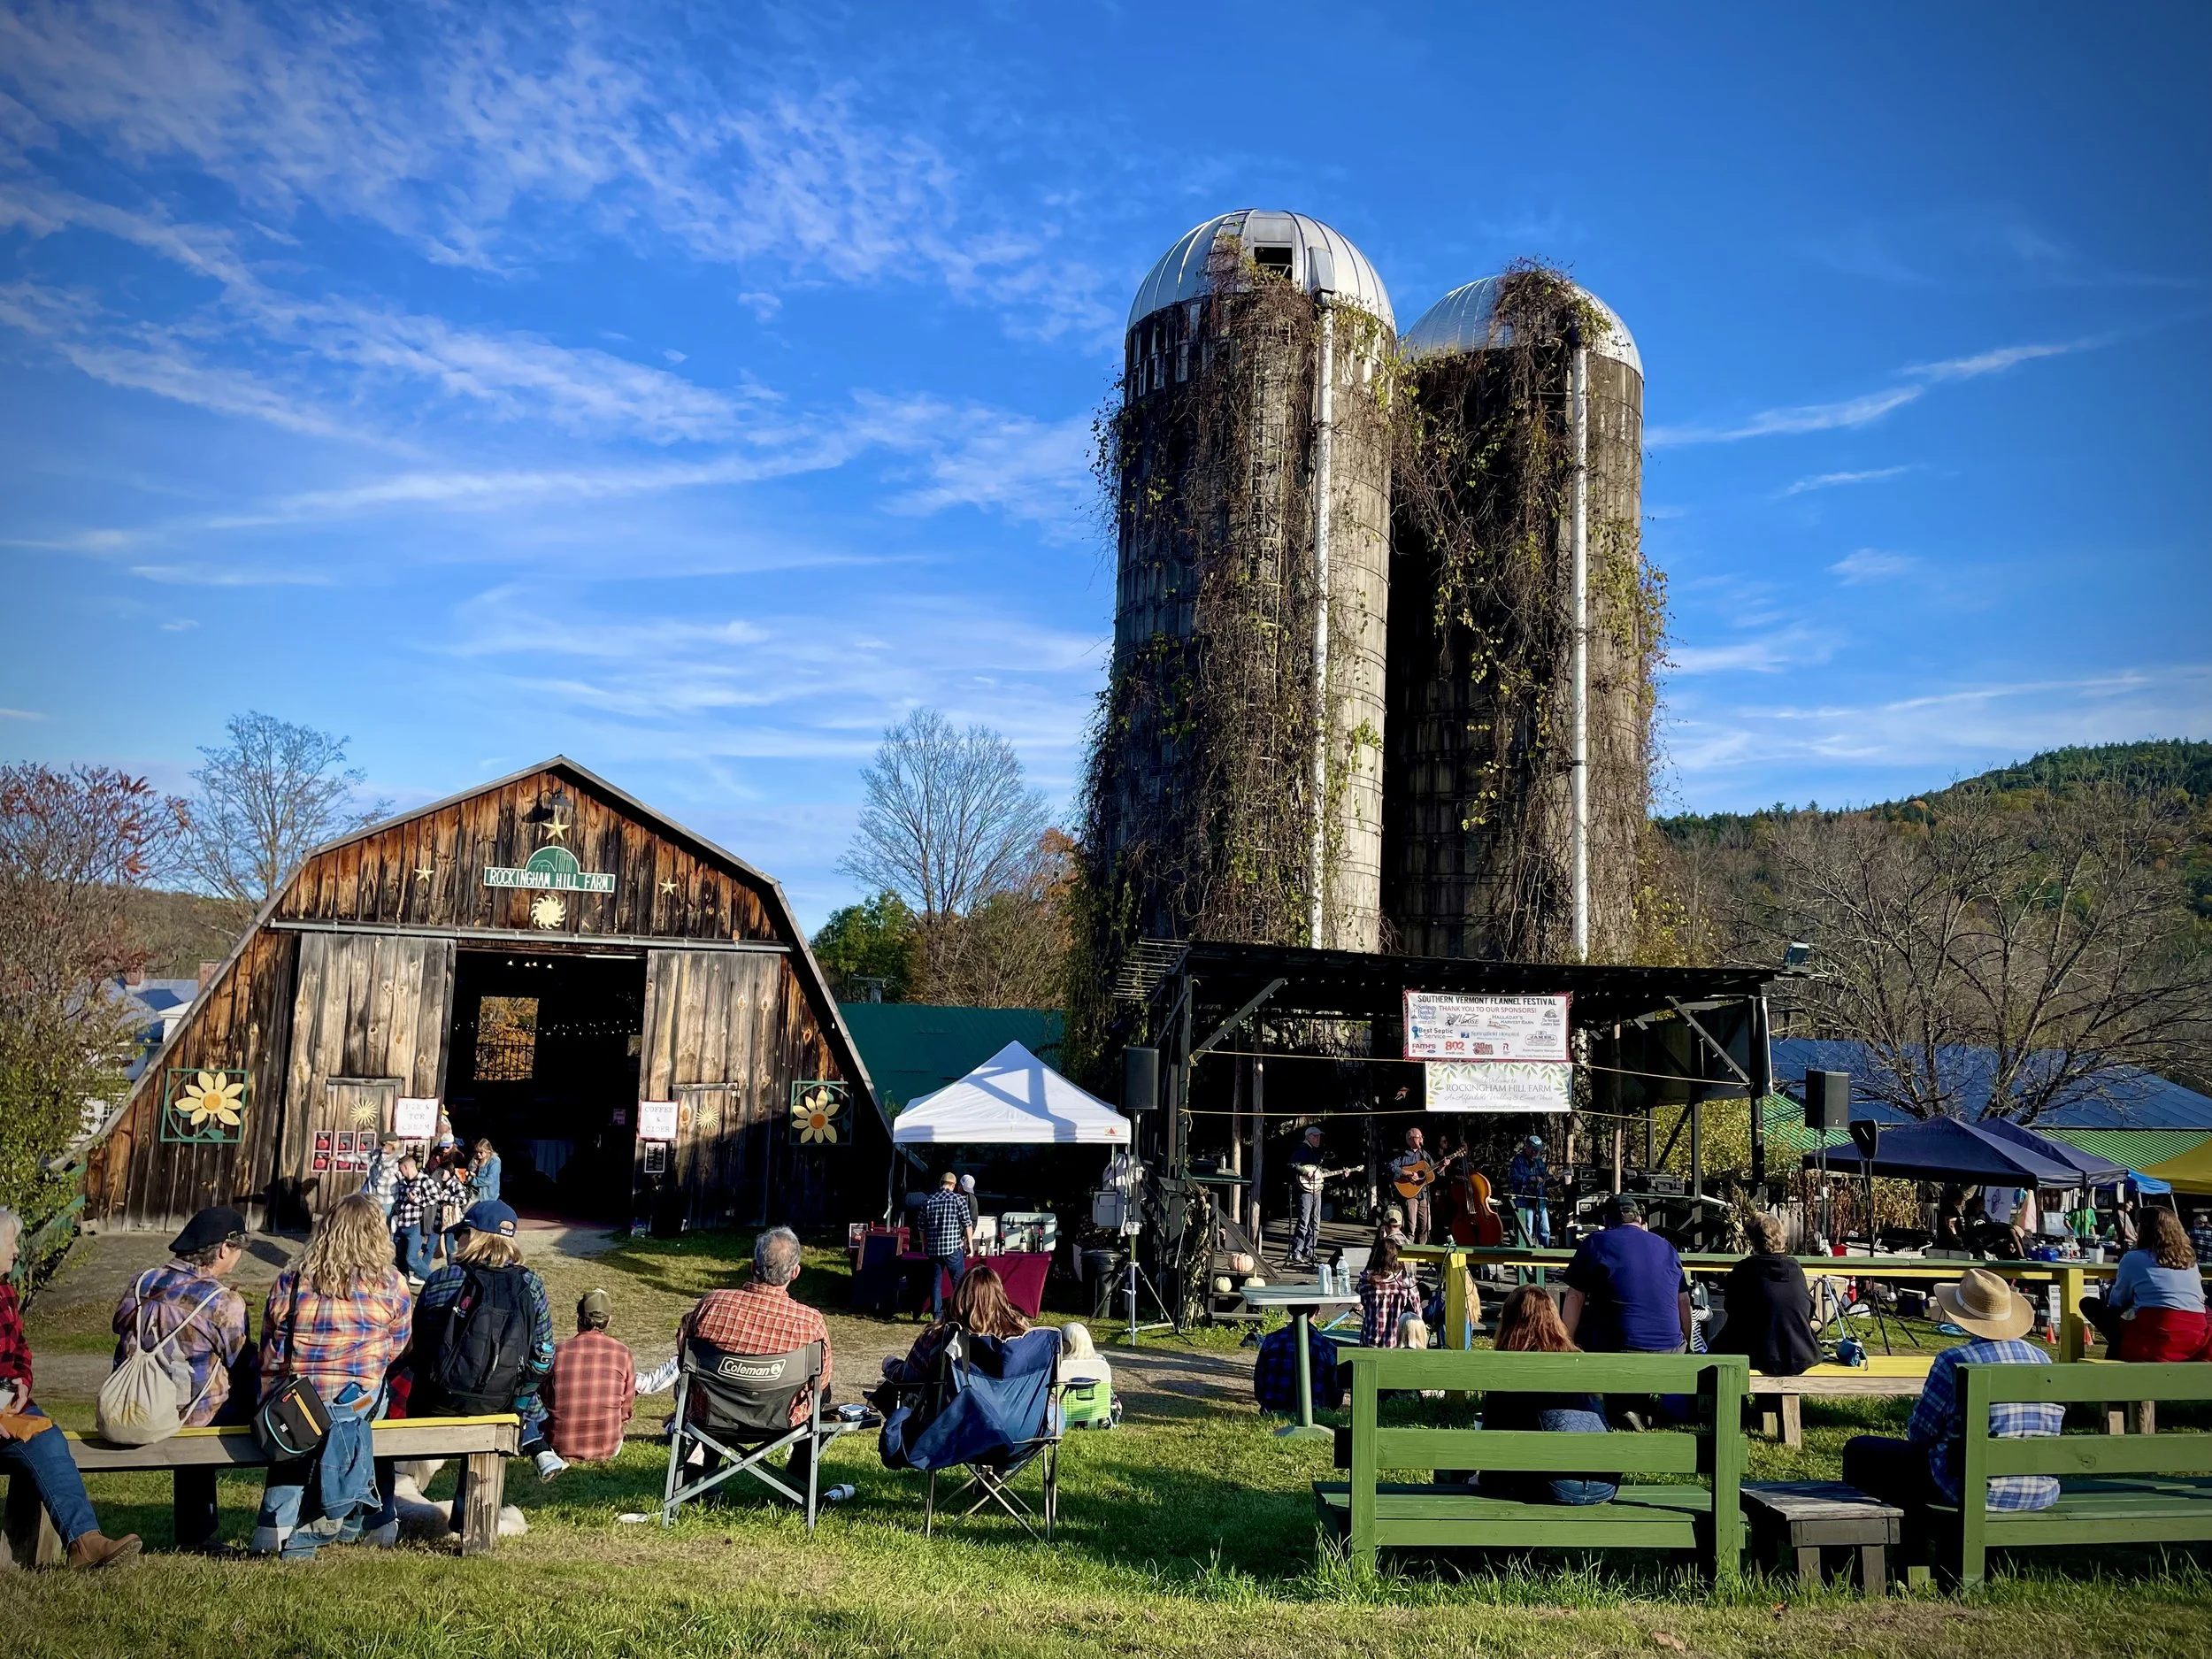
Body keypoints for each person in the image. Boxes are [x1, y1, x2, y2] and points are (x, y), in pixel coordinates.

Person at [254, 1194, 413, 1557]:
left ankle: (272, 1527)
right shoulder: (392, 1284)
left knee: (295, 1428)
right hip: (357, 1401)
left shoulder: (291, 1281)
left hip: (298, 1402)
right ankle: (373, 1518)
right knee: (375, 1411)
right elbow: (398, 1346)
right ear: (377, 1235)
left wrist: (268, 1393)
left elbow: (273, 1346)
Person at [1841, 1267, 2062, 1514]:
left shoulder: (1954, 1361)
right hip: (2039, 1489)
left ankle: (1901, 1544)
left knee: (1858, 1449)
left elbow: (1920, 1434)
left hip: (1969, 1489)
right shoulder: (2041, 1358)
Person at [0, 1206, 142, 1568]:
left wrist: (22, 1384)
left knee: (48, 1438)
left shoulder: (6, 1293)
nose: (17, 1253)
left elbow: (20, 1352)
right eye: (11, 1243)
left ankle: (85, 1543)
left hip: (7, 1406)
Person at [110, 1205, 256, 1550]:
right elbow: (241, 1362)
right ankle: (269, 1522)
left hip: (134, 1402)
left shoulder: (142, 1282)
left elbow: (119, 1323)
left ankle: (196, 1530)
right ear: (223, 1250)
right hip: (190, 1416)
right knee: (245, 1397)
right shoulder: (225, 1303)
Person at [410, 1200, 564, 1482]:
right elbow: (543, 1356)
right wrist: (519, 1400)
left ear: (473, 1236)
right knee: (517, 1385)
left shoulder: (443, 1278)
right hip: (500, 1402)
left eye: (460, 1235)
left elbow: (417, 1343)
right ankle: (535, 1444)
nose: (457, 1241)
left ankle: (399, 1498)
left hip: (438, 1398)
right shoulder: (531, 1284)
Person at [679, 1227, 835, 1492]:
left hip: (715, 1417)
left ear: (753, 1266)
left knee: (707, 1385)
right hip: (781, 1421)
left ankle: (697, 1474)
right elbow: (821, 1384)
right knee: (822, 1394)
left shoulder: (711, 1305)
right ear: (795, 1273)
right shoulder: (811, 1322)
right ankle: (798, 1484)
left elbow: (684, 1358)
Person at [1470, 1285, 1617, 1506]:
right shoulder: (1577, 1362)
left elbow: (1496, 1450)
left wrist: (1480, 1480)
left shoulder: (1510, 1369)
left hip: (1555, 1484)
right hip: (1605, 1482)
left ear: (1510, 1323)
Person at [1561, 1195, 1691, 1354]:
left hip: (1618, 1349)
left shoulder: (1596, 1242)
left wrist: (1566, 1344)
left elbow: (1574, 1297)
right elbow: (1683, 1301)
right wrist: (1687, 1347)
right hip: (1671, 1348)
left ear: (1605, 1220)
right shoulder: (1667, 1247)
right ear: (1640, 1219)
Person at [2080, 1207, 2209, 1361]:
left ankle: (2117, 1357)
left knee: (2090, 1305)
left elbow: (2117, 1302)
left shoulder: (2134, 1258)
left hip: (2156, 1333)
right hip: (2195, 1334)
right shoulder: (2190, 1261)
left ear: (2144, 1229)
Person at [880, 1262, 1031, 1389]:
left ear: (959, 1297)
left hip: (955, 1420)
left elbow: (908, 1377)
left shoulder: (939, 1337)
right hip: (1017, 1418)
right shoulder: (1022, 1339)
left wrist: (890, 1363)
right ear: (1000, 1296)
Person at [1709, 1211, 1818, 1377]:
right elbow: (1808, 1307)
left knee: (1713, 1355)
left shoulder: (1745, 1269)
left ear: (1753, 1241)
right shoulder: (1795, 1268)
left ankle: (1729, 1401)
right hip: (1801, 1352)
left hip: (1762, 1355)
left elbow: (1731, 1308)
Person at [543, 1288, 637, 1464]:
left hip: (559, 1444)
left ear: (579, 1319)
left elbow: (546, 1400)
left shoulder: (558, 1352)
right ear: (608, 1321)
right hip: (607, 1446)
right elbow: (626, 1410)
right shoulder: (623, 1353)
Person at [919, 1171, 973, 1317]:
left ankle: (937, 1315)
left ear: (940, 1184)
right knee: (958, 1282)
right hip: (952, 1249)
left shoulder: (928, 1201)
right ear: (953, 1185)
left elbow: (921, 1227)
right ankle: (959, 1314)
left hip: (934, 1249)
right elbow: (968, 1224)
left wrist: (924, 1245)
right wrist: (970, 1245)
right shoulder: (958, 1200)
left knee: (935, 1283)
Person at [1357, 1236, 1424, 1349]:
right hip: (1398, 1343)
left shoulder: (1365, 1282)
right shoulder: (1406, 1283)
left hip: (1370, 1342)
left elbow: (1358, 1302)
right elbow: (1417, 1313)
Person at [1285, 1125, 1336, 1266]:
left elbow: (1319, 1170)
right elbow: (1292, 1164)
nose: (1318, 1139)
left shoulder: (1316, 1152)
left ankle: (1310, 1250)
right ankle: (1296, 1251)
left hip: (1316, 1189)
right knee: (1304, 1220)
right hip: (1305, 1190)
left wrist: (1337, 1173)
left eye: (1319, 1136)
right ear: (1308, 1137)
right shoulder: (1302, 1149)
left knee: (1316, 1222)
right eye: (1315, 1136)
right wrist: (1305, 1172)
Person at [1058, 1321, 1116, 1428]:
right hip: (1098, 1418)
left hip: (1065, 1418)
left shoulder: (1062, 1366)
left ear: (1069, 1344)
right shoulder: (1100, 1362)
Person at [388, 1152, 433, 1283]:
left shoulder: (425, 1181)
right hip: (401, 1225)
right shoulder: (403, 1182)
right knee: (399, 1258)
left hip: (415, 1226)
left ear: (406, 1167)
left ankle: (433, 1279)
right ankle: (403, 1283)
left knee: (411, 1259)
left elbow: (435, 1198)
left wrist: (417, 1201)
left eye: (401, 1169)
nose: (400, 1172)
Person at [1388, 1126, 1435, 1245]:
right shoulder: (1402, 1155)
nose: (1421, 1139)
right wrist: (1409, 1173)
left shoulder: (1425, 1155)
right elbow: (1391, 1167)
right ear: (1410, 1139)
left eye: (1421, 1137)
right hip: (1409, 1195)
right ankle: (1409, 1252)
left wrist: (1443, 1165)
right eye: (1418, 1137)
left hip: (1423, 1194)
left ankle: (1422, 1252)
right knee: (1411, 1225)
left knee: (1426, 1226)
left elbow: (1434, 1171)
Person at [1508, 1135, 1551, 1248]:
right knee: (1527, 1230)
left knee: (1545, 1230)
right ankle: (1526, 1258)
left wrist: (1554, 1179)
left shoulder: (1539, 1161)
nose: (1536, 1152)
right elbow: (1513, 1178)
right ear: (1526, 1147)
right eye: (1533, 1149)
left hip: (1540, 1200)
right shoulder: (1518, 1160)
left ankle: (1545, 1256)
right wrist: (1530, 1178)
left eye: (1538, 1150)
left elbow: (1543, 1178)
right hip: (1524, 1200)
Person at [364, 1134, 404, 1220]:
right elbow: (360, 1157)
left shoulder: (399, 1159)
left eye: (384, 1144)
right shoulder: (377, 1154)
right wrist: (338, 1158)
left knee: (385, 1224)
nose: (381, 1147)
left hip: (388, 1200)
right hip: (374, 1198)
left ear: (392, 1145)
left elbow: (384, 1177)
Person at [468, 1138, 503, 1206]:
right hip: (475, 1193)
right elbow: (469, 1171)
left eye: (481, 1152)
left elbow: (490, 1180)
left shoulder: (495, 1161)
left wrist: (473, 1180)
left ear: (488, 1151)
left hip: (488, 1196)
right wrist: (473, 1165)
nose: (478, 1154)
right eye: (477, 1152)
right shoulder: (476, 1158)